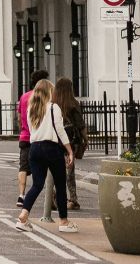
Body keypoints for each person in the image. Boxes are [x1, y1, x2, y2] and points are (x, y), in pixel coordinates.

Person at [17, 78, 76, 233]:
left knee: (37, 185)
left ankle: (23, 215)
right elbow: (60, 130)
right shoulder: (53, 107)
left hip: (34, 148)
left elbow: (31, 131)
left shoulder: (31, 109)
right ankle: (63, 221)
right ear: (50, 91)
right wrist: (69, 150)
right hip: (51, 148)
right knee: (60, 185)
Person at [16, 67, 48, 206]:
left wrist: (23, 129)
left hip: (25, 136)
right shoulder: (44, 97)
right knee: (44, 167)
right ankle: (48, 197)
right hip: (40, 138)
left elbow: (19, 117)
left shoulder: (24, 97)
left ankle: (21, 194)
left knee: (23, 167)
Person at [55, 77, 87, 211]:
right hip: (70, 142)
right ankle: (73, 199)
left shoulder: (54, 104)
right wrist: (85, 139)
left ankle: (54, 197)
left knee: (54, 170)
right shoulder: (73, 104)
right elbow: (80, 125)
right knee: (69, 171)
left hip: (56, 141)